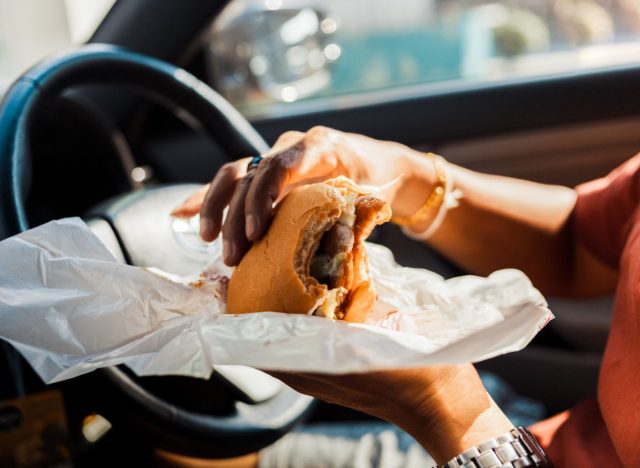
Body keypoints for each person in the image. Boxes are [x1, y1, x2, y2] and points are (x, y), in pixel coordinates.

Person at [173, 126, 634, 467]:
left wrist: (444, 409)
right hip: (528, 431)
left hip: (484, 445)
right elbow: (582, 242)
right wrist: (397, 170)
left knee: (191, 453)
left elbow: (450, 407)